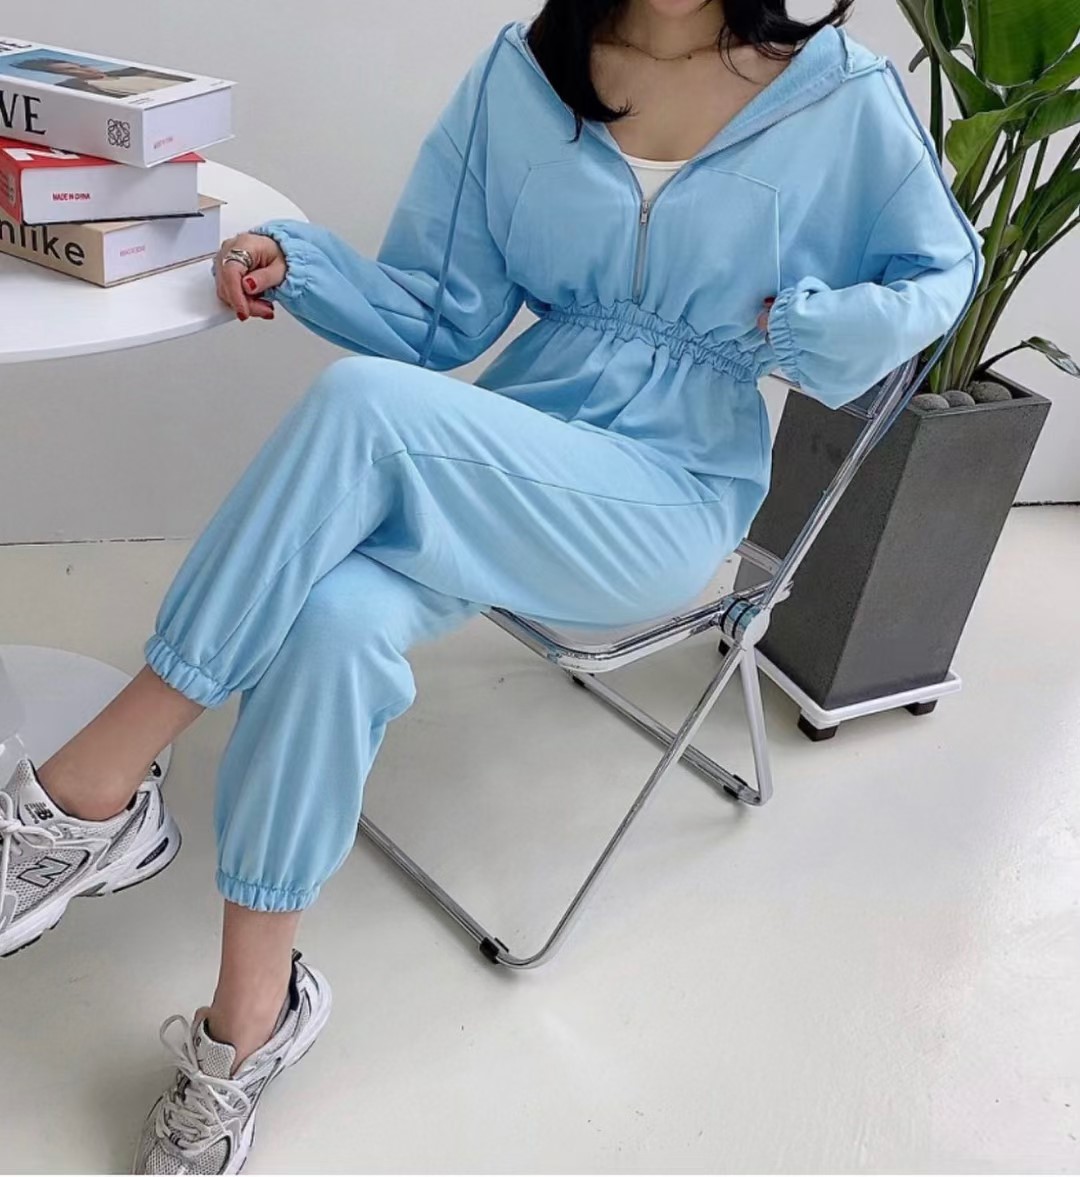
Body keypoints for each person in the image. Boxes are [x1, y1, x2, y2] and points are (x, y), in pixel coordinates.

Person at [0, 1, 979, 1172]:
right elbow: (441, 311)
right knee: (330, 618)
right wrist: (304, 269)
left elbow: (944, 270)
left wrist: (821, 326)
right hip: (508, 441)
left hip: (668, 490)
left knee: (363, 409)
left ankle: (89, 795)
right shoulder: (526, 73)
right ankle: (249, 1020)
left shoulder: (835, 90)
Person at [11, 57, 191, 97]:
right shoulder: (94, 89)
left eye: (80, 66)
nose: (84, 69)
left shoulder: (132, 73)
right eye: (71, 70)